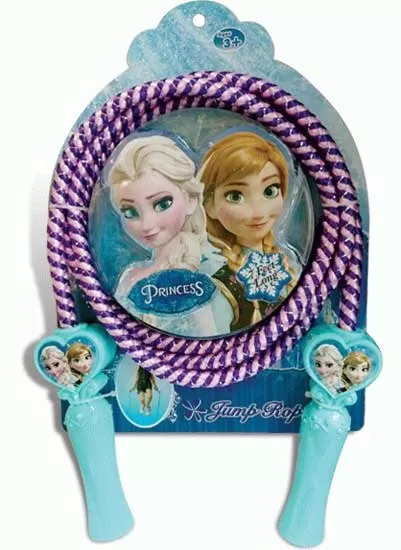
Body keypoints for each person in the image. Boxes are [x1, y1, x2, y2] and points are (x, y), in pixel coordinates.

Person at [109, 134, 232, 336]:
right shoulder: (129, 277)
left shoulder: (211, 272)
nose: (147, 225)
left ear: (191, 199)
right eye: (130, 212)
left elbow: (215, 340)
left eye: (162, 204)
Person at [199, 132, 296, 332]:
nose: (258, 212)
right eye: (235, 196)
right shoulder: (220, 285)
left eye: (270, 191)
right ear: (209, 205)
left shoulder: (289, 265)